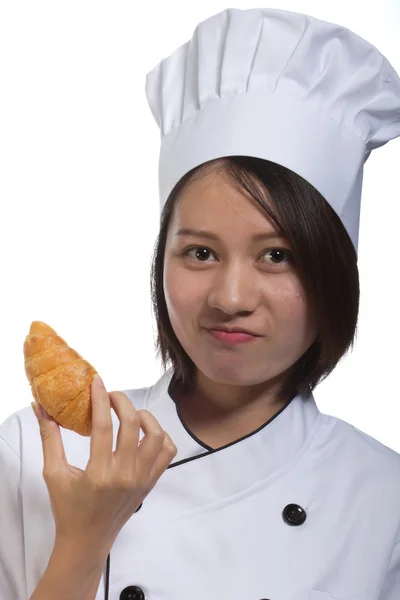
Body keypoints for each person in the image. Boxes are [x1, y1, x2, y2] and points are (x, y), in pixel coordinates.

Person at [1, 7, 400, 600]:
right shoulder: (36, 452)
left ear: (335, 276)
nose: (231, 299)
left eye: (277, 256)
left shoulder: (384, 499)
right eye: (201, 254)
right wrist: (83, 548)